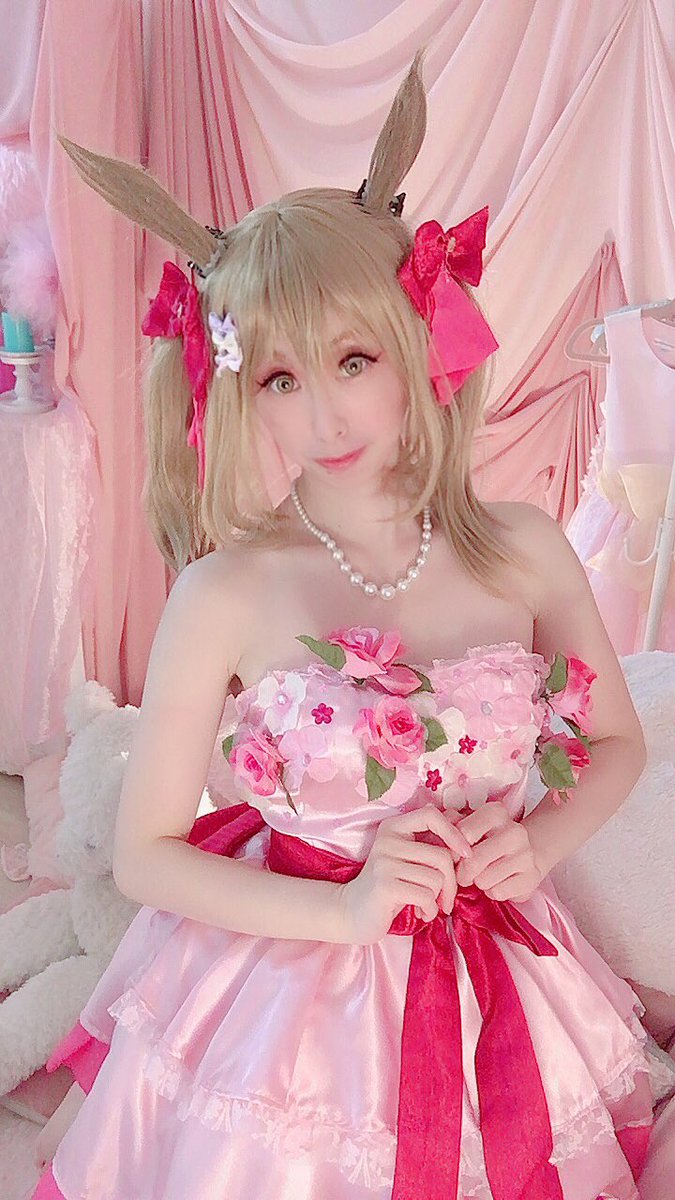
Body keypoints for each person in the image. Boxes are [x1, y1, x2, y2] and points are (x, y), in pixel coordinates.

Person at [32, 56, 673, 1200]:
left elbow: (618, 742)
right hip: (291, 982)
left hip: (503, 967)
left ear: (419, 340)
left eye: (354, 360)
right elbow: (148, 854)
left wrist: (540, 846)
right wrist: (345, 909)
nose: (324, 413)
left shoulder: (524, 547)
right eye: (279, 378)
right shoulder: (224, 591)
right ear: (235, 390)